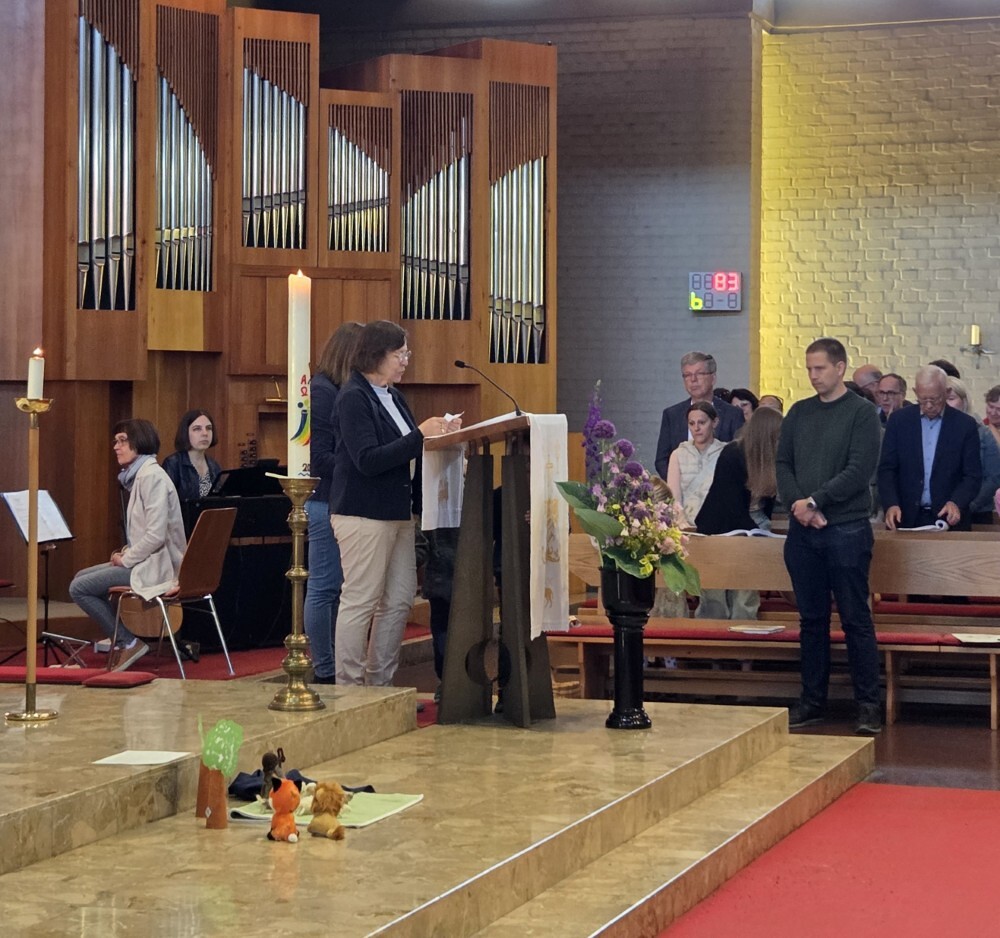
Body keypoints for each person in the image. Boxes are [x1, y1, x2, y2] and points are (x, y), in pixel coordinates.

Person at [330, 320, 461, 687]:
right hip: (363, 513)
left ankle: (379, 685)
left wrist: (440, 439)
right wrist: (421, 435)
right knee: (361, 601)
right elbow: (367, 459)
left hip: (398, 512)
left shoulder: (394, 396)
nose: (405, 361)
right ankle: (349, 688)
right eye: (399, 354)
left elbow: (408, 451)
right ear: (376, 355)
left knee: (401, 599)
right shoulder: (353, 397)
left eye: (407, 354)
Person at [776, 337, 882, 735]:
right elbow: (783, 463)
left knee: (855, 618)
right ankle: (812, 700)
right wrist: (799, 507)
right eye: (809, 368)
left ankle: (868, 705)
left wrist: (816, 501)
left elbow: (859, 469)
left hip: (847, 528)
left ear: (840, 367)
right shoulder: (799, 412)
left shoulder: (861, 413)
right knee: (812, 619)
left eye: (819, 368)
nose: (813, 375)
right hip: (803, 530)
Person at [69, 418, 186, 671]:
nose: (116, 447)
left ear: (139, 442)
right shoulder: (141, 476)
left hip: (158, 566)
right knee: (81, 578)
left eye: (122, 441)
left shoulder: (152, 477)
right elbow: (145, 534)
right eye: (116, 441)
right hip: (146, 559)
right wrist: (125, 553)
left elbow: (155, 536)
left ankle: (127, 641)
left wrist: (126, 559)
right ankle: (121, 637)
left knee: (79, 588)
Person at [305, 321, 364, 684]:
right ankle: (325, 669)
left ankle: (338, 667)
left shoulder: (344, 389)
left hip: (342, 500)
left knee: (342, 589)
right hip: (324, 500)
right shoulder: (323, 391)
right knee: (324, 587)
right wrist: (362, 460)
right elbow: (318, 456)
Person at [695, 405, 783, 619]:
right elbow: (730, 503)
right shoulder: (733, 453)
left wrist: (762, 530)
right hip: (721, 525)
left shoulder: (772, 457)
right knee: (715, 593)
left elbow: (767, 503)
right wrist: (755, 533)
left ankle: (745, 632)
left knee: (746, 592)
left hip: (754, 523)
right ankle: (711, 637)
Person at [877, 365, 981, 531]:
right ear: (915, 392)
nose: (929, 406)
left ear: (946, 392)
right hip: (905, 515)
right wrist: (891, 503)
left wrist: (957, 502)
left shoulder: (965, 425)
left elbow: (972, 475)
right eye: (923, 400)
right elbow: (887, 469)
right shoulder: (899, 421)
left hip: (948, 517)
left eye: (935, 399)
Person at [654, 351, 744, 477]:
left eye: (699, 374)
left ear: (713, 378)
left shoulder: (733, 414)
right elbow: (661, 460)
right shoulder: (672, 415)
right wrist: (679, 482)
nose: (693, 380)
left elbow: (741, 458)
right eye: (687, 375)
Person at [666, 402, 726, 528]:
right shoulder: (678, 454)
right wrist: (682, 524)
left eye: (702, 423)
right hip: (685, 527)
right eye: (691, 423)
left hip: (719, 525)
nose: (696, 428)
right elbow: (674, 497)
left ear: (714, 422)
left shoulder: (727, 453)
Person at [162, 409, 222, 531]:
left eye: (209, 428)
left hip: (210, 529)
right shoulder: (173, 463)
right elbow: (165, 506)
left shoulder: (214, 466)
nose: (205, 433)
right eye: (197, 429)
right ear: (185, 433)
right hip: (181, 531)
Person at [970, 385, 1000, 524]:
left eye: (999, 409)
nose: (993, 412)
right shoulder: (980, 428)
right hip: (988, 500)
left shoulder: (986, 430)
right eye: (990, 406)